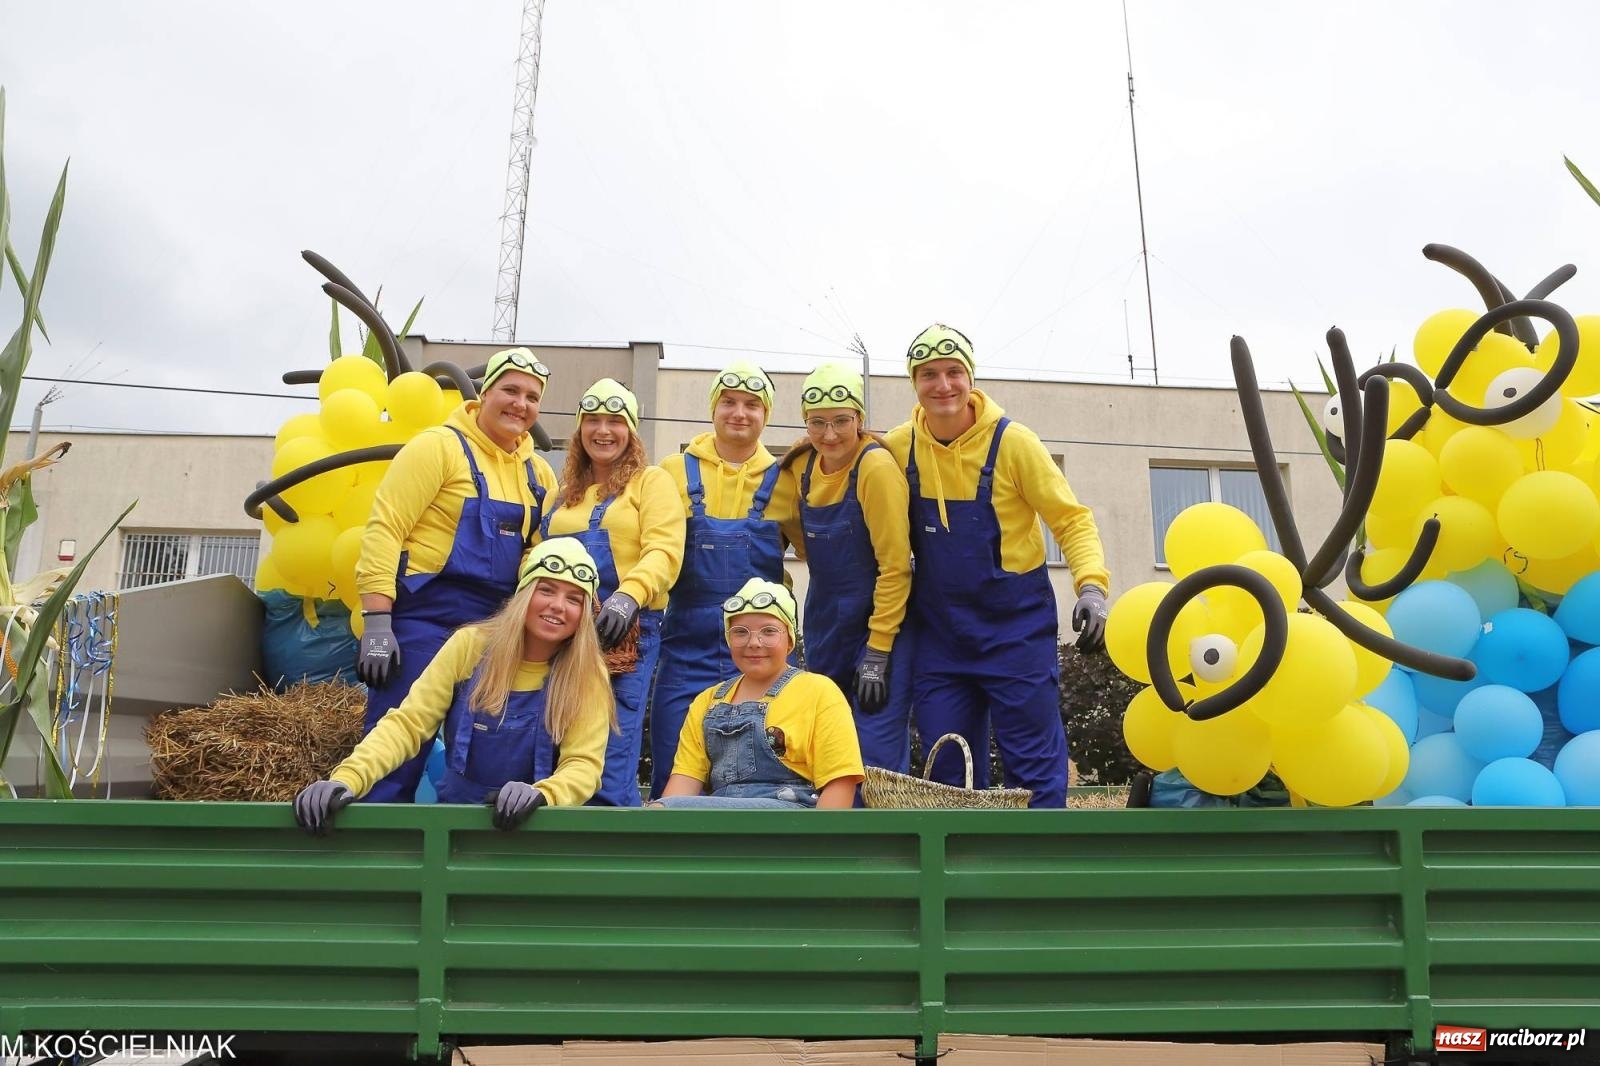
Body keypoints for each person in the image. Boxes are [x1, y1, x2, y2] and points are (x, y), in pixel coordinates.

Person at [884, 324, 1110, 809]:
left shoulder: (1014, 444)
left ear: (970, 376)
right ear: (913, 383)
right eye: (928, 375)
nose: (942, 385)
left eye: (953, 372)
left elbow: (1071, 521)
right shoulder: (898, 448)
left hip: (1016, 633)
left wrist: (1091, 587)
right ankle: (958, 879)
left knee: (1032, 765)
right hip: (941, 636)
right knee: (946, 771)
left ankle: (1042, 874)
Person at [294, 539, 617, 833]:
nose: (558, 606)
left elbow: (583, 764)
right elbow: (408, 724)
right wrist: (347, 779)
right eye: (546, 590)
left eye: (574, 598)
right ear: (523, 595)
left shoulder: (587, 672)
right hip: (456, 827)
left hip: (537, 832)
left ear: (584, 614)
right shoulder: (470, 645)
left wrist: (544, 795)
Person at [352, 347, 559, 802]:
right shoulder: (437, 447)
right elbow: (386, 528)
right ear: (484, 394)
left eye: (531, 396)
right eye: (510, 390)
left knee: (482, 754)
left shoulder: (540, 473)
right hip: (423, 619)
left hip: (495, 628)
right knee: (398, 743)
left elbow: (538, 551)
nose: (520, 404)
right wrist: (378, 624)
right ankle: (373, 853)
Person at [647, 360, 799, 797]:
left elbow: (816, 553)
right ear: (713, 408)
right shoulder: (671, 472)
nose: (739, 412)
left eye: (752, 404)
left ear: (765, 414)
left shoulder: (786, 480)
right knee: (674, 765)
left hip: (758, 656)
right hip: (684, 653)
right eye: (729, 402)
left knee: (754, 776)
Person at [540, 378, 685, 807]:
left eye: (615, 421)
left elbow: (665, 549)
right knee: (550, 740)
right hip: (556, 632)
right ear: (580, 429)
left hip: (623, 633)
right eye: (593, 421)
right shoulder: (560, 494)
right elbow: (533, 554)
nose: (603, 431)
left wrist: (628, 596)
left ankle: (612, 853)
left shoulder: (650, 483)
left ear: (632, 431)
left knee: (610, 747)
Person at [779, 363, 914, 774]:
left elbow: (896, 567)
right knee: (826, 747)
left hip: (881, 621)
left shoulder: (875, 468)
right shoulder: (799, 469)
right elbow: (785, 542)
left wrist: (878, 651)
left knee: (875, 753)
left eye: (842, 420)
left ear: (859, 419)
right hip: (825, 623)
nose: (830, 434)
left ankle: (884, 838)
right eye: (817, 423)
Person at [653, 579, 863, 809]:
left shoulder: (819, 692)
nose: (754, 642)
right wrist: (664, 813)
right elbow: (685, 780)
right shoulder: (708, 701)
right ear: (728, 639)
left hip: (790, 822)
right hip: (721, 819)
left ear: (790, 639)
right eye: (740, 632)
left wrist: (819, 842)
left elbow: (840, 781)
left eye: (769, 631)